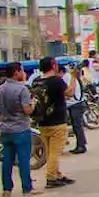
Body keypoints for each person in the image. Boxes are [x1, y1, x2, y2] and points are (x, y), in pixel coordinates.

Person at [0, 63, 41, 197]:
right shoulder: (22, 89)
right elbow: (27, 110)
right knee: (23, 159)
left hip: (5, 128)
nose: (23, 73)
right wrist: (33, 103)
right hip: (20, 128)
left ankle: (6, 188)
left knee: (7, 160)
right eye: (21, 71)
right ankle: (27, 188)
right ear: (16, 72)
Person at [33, 56, 75, 189]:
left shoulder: (36, 81)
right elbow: (70, 93)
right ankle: (51, 177)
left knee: (50, 151)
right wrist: (74, 78)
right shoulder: (56, 81)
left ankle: (57, 174)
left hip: (42, 121)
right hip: (57, 121)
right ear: (53, 66)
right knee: (55, 152)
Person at [64, 63, 87, 155]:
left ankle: (81, 146)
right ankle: (82, 143)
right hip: (78, 103)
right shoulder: (72, 77)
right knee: (78, 126)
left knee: (77, 126)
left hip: (75, 104)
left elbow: (69, 92)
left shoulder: (66, 77)